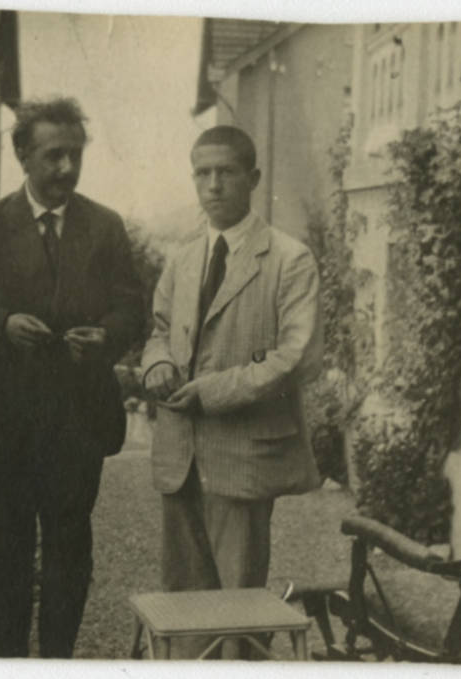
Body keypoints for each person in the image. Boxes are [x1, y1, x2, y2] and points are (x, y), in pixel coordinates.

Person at [0, 97, 143, 658]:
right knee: (6, 551)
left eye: (75, 155)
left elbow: (132, 308)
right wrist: (0, 325)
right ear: (23, 154)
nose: (67, 168)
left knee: (69, 552)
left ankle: (58, 661)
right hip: (7, 421)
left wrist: (106, 335)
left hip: (79, 421)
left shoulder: (105, 226)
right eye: (54, 155)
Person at [141, 125, 324, 658]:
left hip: (243, 455)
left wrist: (212, 391)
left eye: (226, 172)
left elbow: (293, 357)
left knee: (238, 607)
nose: (213, 185)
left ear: (254, 178)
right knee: (182, 604)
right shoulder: (183, 257)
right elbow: (158, 329)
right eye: (202, 173)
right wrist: (157, 365)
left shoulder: (289, 259)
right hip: (180, 454)